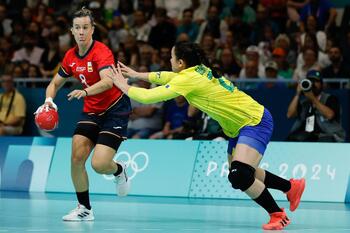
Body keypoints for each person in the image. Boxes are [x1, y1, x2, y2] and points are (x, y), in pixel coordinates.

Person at [109, 42, 306, 230]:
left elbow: (146, 97)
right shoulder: (197, 70)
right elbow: (167, 76)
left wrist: (122, 84)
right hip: (237, 126)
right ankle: (290, 187)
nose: (169, 60)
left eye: (171, 57)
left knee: (240, 175)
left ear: (181, 63)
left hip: (253, 121)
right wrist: (136, 74)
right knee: (242, 173)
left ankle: (277, 215)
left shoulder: (188, 79)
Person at [34, 8, 131, 221]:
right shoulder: (70, 56)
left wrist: (85, 91)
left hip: (115, 109)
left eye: (85, 27)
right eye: (77, 28)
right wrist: (48, 102)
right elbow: (54, 84)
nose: (81, 32)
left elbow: (108, 81)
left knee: (99, 165)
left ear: (92, 29)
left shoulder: (101, 51)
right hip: (92, 111)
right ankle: (84, 209)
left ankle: (118, 170)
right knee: (76, 157)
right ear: (71, 30)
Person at [287, 70, 345, 142]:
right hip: (307, 136)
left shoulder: (330, 99)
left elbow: (330, 115)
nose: (313, 84)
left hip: (328, 135)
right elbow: (289, 115)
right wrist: (297, 94)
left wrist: (313, 99)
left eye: (316, 81)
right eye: (310, 81)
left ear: (322, 84)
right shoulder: (304, 102)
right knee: (291, 139)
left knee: (324, 140)